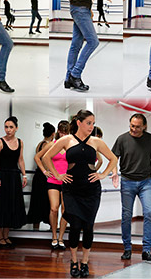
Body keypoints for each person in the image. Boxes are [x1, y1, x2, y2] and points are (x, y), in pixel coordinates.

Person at [43, 110, 117, 278]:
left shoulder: (96, 142)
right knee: (75, 225)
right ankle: (74, 261)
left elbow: (113, 159)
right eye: (88, 123)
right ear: (79, 123)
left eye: (93, 123)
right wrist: (57, 174)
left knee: (88, 226)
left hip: (91, 190)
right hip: (71, 189)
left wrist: (103, 174)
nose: (92, 126)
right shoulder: (66, 140)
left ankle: (85, 262)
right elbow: (46, 158)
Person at [111, 113, 151, 262]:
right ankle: (127, 248)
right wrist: (114, 173)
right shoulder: (122, 139)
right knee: (126, 216)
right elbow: (114, 158)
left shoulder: (150, 139)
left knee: (149, 213)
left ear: (144, 126)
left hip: (145, 182)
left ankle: (146, 250)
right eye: (132, 126)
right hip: (127, 181)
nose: (134, 129)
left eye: (138, 127)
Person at [0, 116, 27, 248]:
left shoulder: (20, 142)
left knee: (11, 205)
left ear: (16, 128)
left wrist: (24, 175)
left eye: (11, 127)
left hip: (14, 176)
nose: (8, 130)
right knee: (0, 205)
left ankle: (6, 236)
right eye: (6, 127)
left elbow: (20, 160)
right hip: (2, 175)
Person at [34, 120, 70, 250]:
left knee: (65, 210)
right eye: (61, 132)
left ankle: (61, 238)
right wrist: (44, 171)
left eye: (65, 132)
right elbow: (38, 157)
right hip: (53, 180)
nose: (63, 134)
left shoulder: (70, 146)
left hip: (66, 181)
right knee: (54, 208)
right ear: (58, 132)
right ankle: (54, 236)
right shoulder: (51, 145)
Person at [27, 122, 55, 229]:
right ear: (53, 134)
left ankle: (36, 229)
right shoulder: (48, 145)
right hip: (45, 176)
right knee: (47, 203)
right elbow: (43, 159)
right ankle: (52, 230)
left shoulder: (39, 144)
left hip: (38, 175)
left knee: (36, 203)